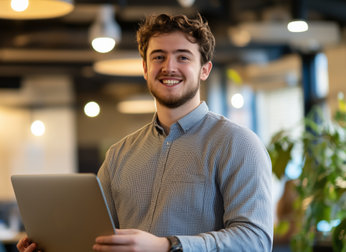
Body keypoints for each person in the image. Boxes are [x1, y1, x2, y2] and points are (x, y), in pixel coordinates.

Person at [17, 12, 273, 252]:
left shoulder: (238, 144)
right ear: (144, 68)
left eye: (183, 57)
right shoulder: (119, 155)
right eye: (158, 56)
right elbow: (96, 238)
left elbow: (256, 240)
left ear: (204, 70)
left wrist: (167, 245)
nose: (169, 67)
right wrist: (53, 245)